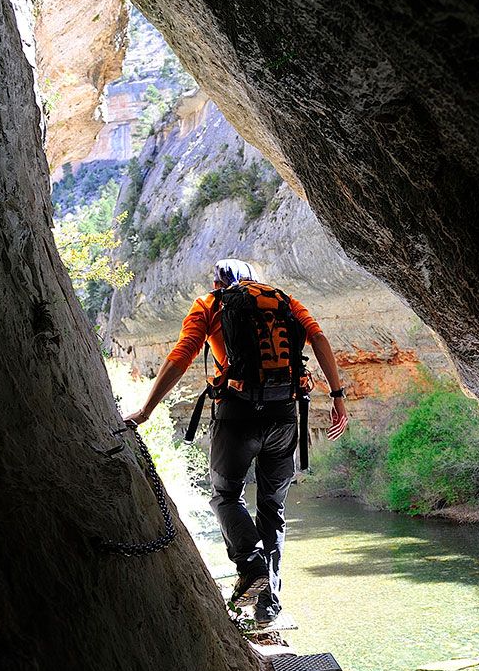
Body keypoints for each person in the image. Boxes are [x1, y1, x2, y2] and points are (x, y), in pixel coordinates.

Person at [124, 258, 348, 626]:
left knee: (226, 497)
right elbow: (320, 339)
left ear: (217, 283)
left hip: (238, 417)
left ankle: (251, 564)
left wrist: (146, 409)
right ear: (256, 282)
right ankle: (268, 605)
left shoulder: (211, 305)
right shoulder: (285, 301)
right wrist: (338, 397)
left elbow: (182, 355)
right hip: (284, 417)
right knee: (273, 508)